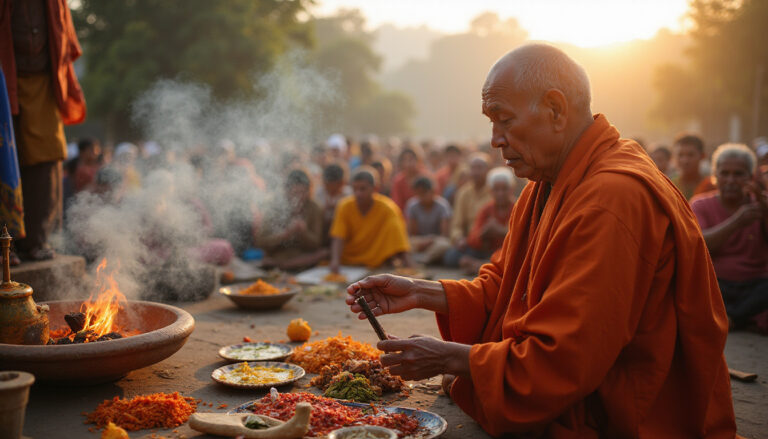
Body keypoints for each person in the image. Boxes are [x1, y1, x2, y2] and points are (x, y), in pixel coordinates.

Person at [346, 43, 735, 437]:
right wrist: (420, 292)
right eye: (491, 122)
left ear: (555, 110)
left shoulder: (613, 197)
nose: (495, 139)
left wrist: (451, 359)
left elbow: (567, 360)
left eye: (504, 119)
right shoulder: (547, 181)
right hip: (582, 379)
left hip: (630, 410)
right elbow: (507, 287)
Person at [1, 0, 87, 261]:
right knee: (5, 159)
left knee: (47, 157)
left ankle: (36, 241)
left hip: (43, 82)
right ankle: (5, 246)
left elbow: (64, 39)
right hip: (3, 81)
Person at [691, 143, 768, 330]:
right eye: (724, 173)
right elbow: (698, 245)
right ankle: (739, 317)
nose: (731, 180)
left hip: (756, 283)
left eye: (738, 174)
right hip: (717, 283)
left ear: (751, 177)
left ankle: (730, 318)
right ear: (715, 176)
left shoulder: (761, 204)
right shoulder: (700, 205)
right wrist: (736, 222)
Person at [329, 168, 411, 273]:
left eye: (362, 189)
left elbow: (399, 240)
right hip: (350, 259)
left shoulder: (388, 208)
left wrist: (410, 268)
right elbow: (338, 236)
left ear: (375, 188)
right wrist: (335, 261)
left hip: (377, 260)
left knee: (392, 225)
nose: (358, 193)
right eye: (355, 189)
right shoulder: (344, 206)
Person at [451, 167, 516, 273]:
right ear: (491, 191)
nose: (500, 193)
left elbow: (522, 238)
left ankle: (481, 265)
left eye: (504, 189)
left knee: (512, 255)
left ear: (511, 189)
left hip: (508, 252)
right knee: (453, 256)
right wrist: (483, 233)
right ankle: (487, 265)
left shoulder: (518, 207)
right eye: (496, 190)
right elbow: (473, 237)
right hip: (488, 251)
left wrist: (501, 231)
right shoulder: (486, 209)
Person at [257, 169, 325, 270]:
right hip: (277, 257)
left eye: (302, 192)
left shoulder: (314, 208)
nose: (299, 197)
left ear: (308, 191)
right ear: (286, 191)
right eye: (295, 193)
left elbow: (316, 244)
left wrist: (303, 232)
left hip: (303, 259)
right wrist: (286, 234)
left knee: (322, 253)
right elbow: (261, 242)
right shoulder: (275, 207)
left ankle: (285, 264)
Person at [445, 153, 492, 266]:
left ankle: (476, 264)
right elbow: (457, 224)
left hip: (489, 241)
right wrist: (459, 239)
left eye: (479, 168)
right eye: (473, 168)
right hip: (470, 242)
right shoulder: (463, 193)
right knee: (450, 258)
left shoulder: (494, 191)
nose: (476, 172)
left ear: (488, 170)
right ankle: (478, 263)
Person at [405, 177, 451, 264]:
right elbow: (411, 233)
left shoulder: (442, 206)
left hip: (436, 241)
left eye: (424, 193)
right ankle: (424, 258)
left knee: (445, 244)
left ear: (432, 191)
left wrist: (431, 240)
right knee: (406, 243)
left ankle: (423, 259)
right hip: (419, 241)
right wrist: (423, 241)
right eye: (418, 194)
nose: (421, 197)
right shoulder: (412, 205)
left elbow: (445, 234)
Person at [315, 163, 352, 244]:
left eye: (330, 184)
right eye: (325, 183)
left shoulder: (348, 194)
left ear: (341, 183)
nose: (326, 186)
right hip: (322, 231)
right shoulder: (319, 193)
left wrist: (338, 208)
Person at [390, 145, 428, 211]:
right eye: (405, 160)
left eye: (411, 159)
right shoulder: (398, 181)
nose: (408, 163)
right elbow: (397, 204)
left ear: (417, 160)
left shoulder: (425, 177)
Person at [671, 133, 708, 199]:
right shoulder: (670, 185)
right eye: (680, 155)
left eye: (690, 155)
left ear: (702, 156)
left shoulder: (711, 185)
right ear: (673, 157)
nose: (685, 161)